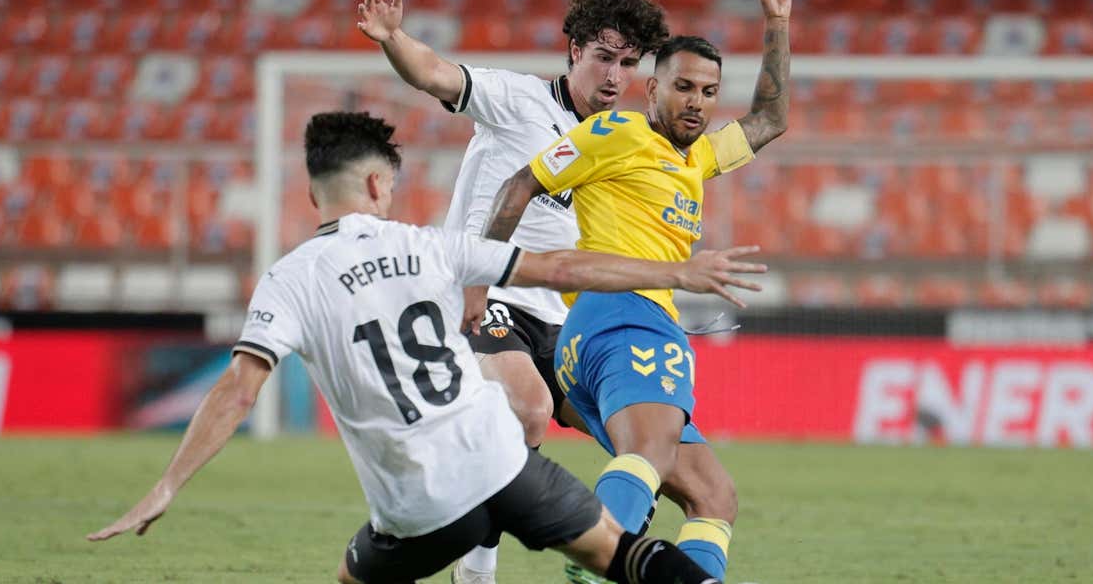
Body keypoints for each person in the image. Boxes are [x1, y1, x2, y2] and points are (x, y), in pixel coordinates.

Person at [86, 112, 766, 584]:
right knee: (621, 556)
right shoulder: (431, 245)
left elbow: (237, 391)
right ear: (380, 184)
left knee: (357, 575)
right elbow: (563, 268)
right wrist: (678, 271)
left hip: (421, 503)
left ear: (313, 190)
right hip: (506, 466)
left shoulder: (287, 279)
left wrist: (167, 484)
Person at [479, 0, 793, 583]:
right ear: (650, 88)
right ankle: (599, 564)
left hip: (610, 335)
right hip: (622, 317)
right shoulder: (615, 133)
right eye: (682, 87)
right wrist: (478, 274)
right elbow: (520, 185)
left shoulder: (696, 156)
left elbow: (770, 120)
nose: (697, 103)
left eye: (708, 92)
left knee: (713, 497)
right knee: (647, 451)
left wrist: (777, 23)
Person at [356, 0, 669, 583]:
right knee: (525, 408)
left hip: (566, 318)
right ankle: (475, 572)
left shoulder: (620, 141)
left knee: (652, 440)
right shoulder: (517, 100)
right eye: (604, 57)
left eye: (628, 63)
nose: (614, 75)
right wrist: (394, 39)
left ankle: (614, 555)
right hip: (487, 296)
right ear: (573, 50)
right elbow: (435, 75)